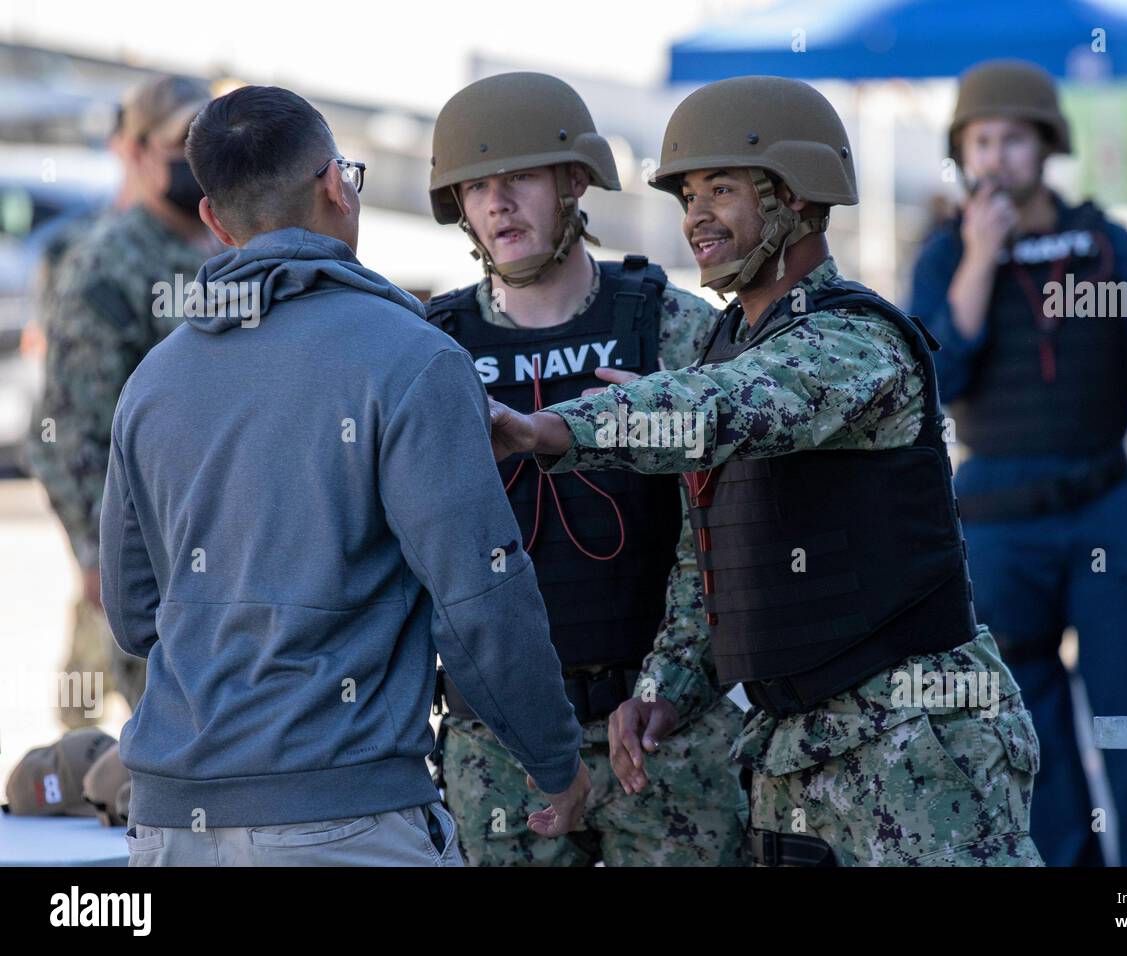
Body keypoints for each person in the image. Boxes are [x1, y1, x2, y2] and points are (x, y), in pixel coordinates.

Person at [490, 76, 1044, 867]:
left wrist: (549, 429)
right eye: (687, 195)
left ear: (797, 197)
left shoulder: (853, 341)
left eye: (722, 188)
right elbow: (710, 563)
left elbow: (727, 405)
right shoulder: (725, 347)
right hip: (790, 756)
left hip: (917, 743)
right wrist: (666, 690)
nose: (696, 216)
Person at [101, 84, 587, 866]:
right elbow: (480, 603)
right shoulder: (411, 357)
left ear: (215, 222)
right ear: (337, 185)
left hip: (168, 823)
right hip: (345, 821)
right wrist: (555, 763)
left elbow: (132, 615)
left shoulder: (153, 382)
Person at [423, 71, 747, 866]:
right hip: (498, 740)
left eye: (521, 176)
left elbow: (725, 528)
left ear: (574, 182)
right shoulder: (429, 348)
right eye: (476, 186)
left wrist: (668, 686)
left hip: (663, 726)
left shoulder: (669, 325)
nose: (498, 201)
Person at [909, 59, 1127, 866]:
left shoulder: (1104, 244)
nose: (998, 156)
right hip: (998, 527)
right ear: (963, 153)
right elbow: (935, 379)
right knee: (1028, 736)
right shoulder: (944, 255)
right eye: (982, 141)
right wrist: (981, 255)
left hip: (1106, 507)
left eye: (1014, 138)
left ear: (1046, 145)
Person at [29, 74, 220, 722]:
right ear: (136, 150)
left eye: (206, 140)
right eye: (179, 144)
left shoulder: (231, 243)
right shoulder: (109, 261)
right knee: (158, 737)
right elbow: (66, 428)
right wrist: (94, 557)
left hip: (227, 551)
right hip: (147, 555)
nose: (196, 159)